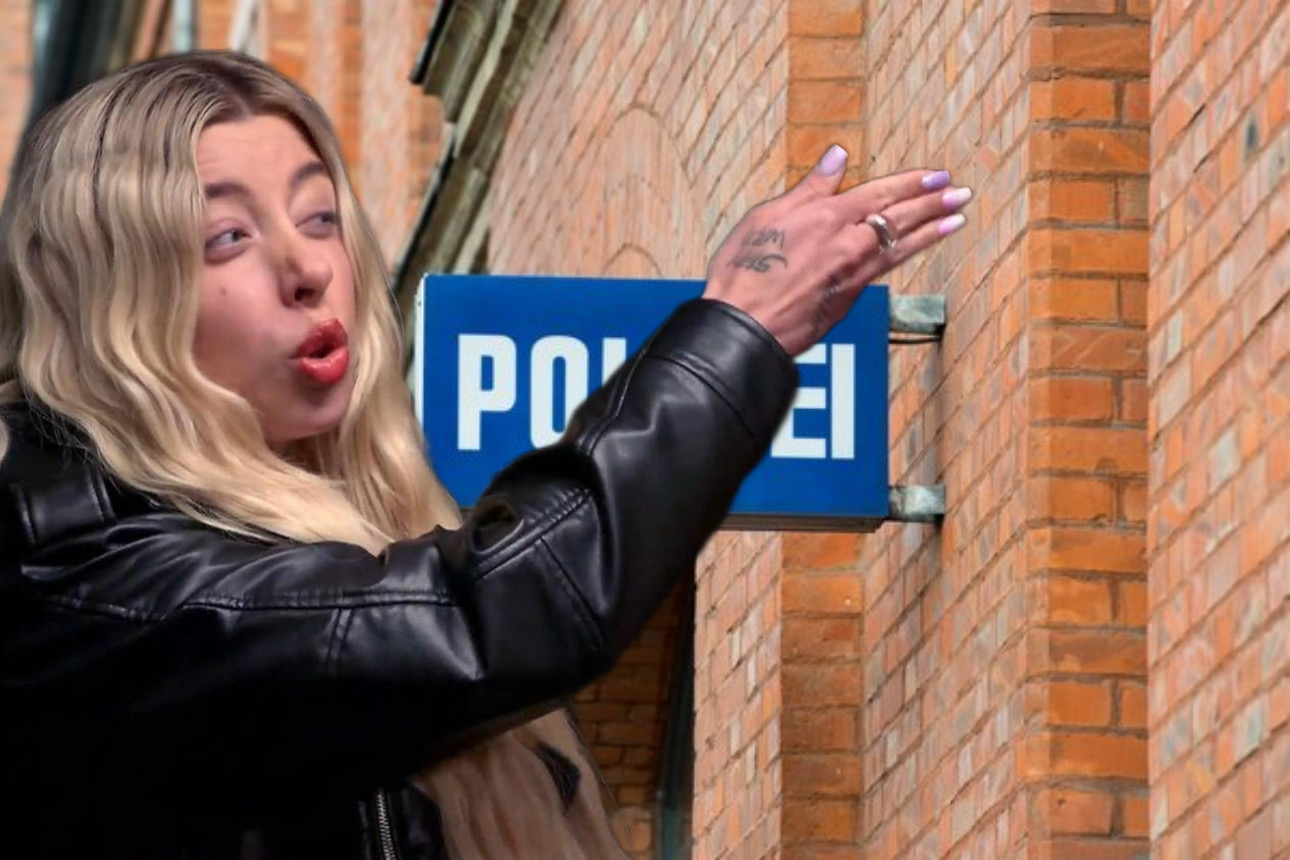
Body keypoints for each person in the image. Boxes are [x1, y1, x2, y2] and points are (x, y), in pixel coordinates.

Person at [0, 52, 972, 858]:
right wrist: (735, 334)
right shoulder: (82, 579)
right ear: (112, 296)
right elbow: (480, 620)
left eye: (318, 216)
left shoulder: (350, 522)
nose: (305, 269)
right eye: (226, 236)